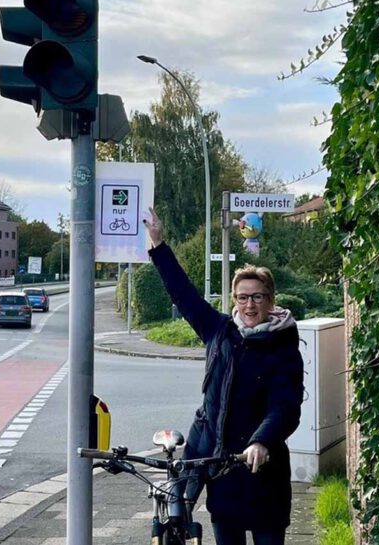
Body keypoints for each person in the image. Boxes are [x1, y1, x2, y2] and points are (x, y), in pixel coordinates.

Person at [143, 207, 304, 545]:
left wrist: (261, 440)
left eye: (257, 297)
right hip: (223, 472)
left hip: (264, 474)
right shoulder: (220, 332)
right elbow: (184, 296)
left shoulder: (284, 346)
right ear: (234, 299)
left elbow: (285, 405)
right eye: (243, 297)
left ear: (271, 301)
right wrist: (158, 246)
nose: (249, 305)